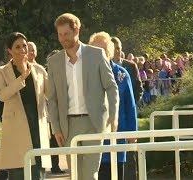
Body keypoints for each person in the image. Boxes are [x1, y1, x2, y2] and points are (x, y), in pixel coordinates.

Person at [47, 13, 119, 180]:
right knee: (75, 176)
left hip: (93, 123)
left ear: (76, 30)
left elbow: (111, 87)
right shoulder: (54, 62)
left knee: (90, 175)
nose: (63, 39)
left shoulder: (97, 55)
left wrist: (113, 116)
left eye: (67, 34)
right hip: (68, 126)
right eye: (60, 34)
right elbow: (52, 98)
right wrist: (55, 127)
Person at [0, 32, 51, 180]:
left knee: (38, 172)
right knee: (18, 173)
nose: (22, 50)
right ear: (10, 51)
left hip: (37, 127)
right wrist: (21, 78)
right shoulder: (1, 72)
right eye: (17, 47)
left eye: (24, 46)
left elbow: (51, 94)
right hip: (16, 131)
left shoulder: (38, 70)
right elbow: (2, 95)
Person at [89, 31, 138, 180]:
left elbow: (130, 105)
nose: (99, 54)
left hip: (117, 135)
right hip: (93, 138)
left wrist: (132, 133)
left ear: (110, 51)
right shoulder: (86, 74)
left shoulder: (121, 74)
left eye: (103, 50)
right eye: (95, 50)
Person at [111, 37, 142, 180]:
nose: (117, 51)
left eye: (119, 48)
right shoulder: (102, 67)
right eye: (114, 48)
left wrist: (129, 104)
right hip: (112, 121)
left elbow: (138, 89)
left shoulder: (130, 66)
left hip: (126, 115)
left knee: (130, 157)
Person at [45, 49, 66, 174]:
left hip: (61, 112)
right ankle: (54, 166)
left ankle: (55, 165)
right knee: (53, 141)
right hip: (50, 114)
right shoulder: (48, 74)